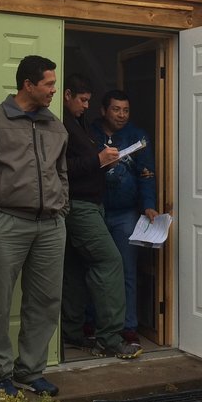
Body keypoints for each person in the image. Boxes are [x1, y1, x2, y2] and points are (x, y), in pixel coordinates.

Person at [0, 55, 69, 398]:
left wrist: (62, 207)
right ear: (28, 85)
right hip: (8, 223)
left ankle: (30, 371)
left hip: (51, 226)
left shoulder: (56, 125)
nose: (54, 90)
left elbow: (61, 172)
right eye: (49, 84)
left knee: (46, 301)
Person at [60, 75, 143, 360]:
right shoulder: (59, 125)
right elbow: (60, 167)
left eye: (88, 101)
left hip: (91, 204)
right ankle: (110, 338)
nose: (85, 106)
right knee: (109, 261)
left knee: (73, 267)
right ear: (67, 95)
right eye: (82, 100)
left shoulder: (79, 124)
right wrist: (98, 160)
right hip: (79, 206)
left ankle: (71, 331)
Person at [90, 89, 158, 344]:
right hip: (94, 212)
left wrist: (148, 204)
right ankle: (94, 322)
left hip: (125, 214)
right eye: (116, 109)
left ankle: (128, 326)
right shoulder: (90, 133)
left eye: (126, 110)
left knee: (126, 270)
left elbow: (146, 173)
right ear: (103, 110)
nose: (121, 115)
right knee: (95, 270)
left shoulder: (137, 136)